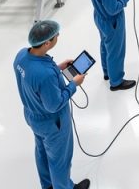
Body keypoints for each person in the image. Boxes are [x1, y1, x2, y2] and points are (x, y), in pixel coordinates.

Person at [13, 20, 90, 189]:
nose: (58, 37)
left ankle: (48, 185)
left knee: (42, 151)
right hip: (53, 122)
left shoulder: (21, 56)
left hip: (32, 116)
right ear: (47, 43)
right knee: (59, 160)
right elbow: (54, 105)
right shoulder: (45, 75)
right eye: (56, 36)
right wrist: (73, 85)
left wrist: (57, 68)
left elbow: (34, 79)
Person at [87, 0, 137, 90]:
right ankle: (116, 81)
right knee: (116, 50)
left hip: (99, 17)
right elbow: (114, 8)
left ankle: (107, 72)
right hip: (112, 22)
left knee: (105, 45)